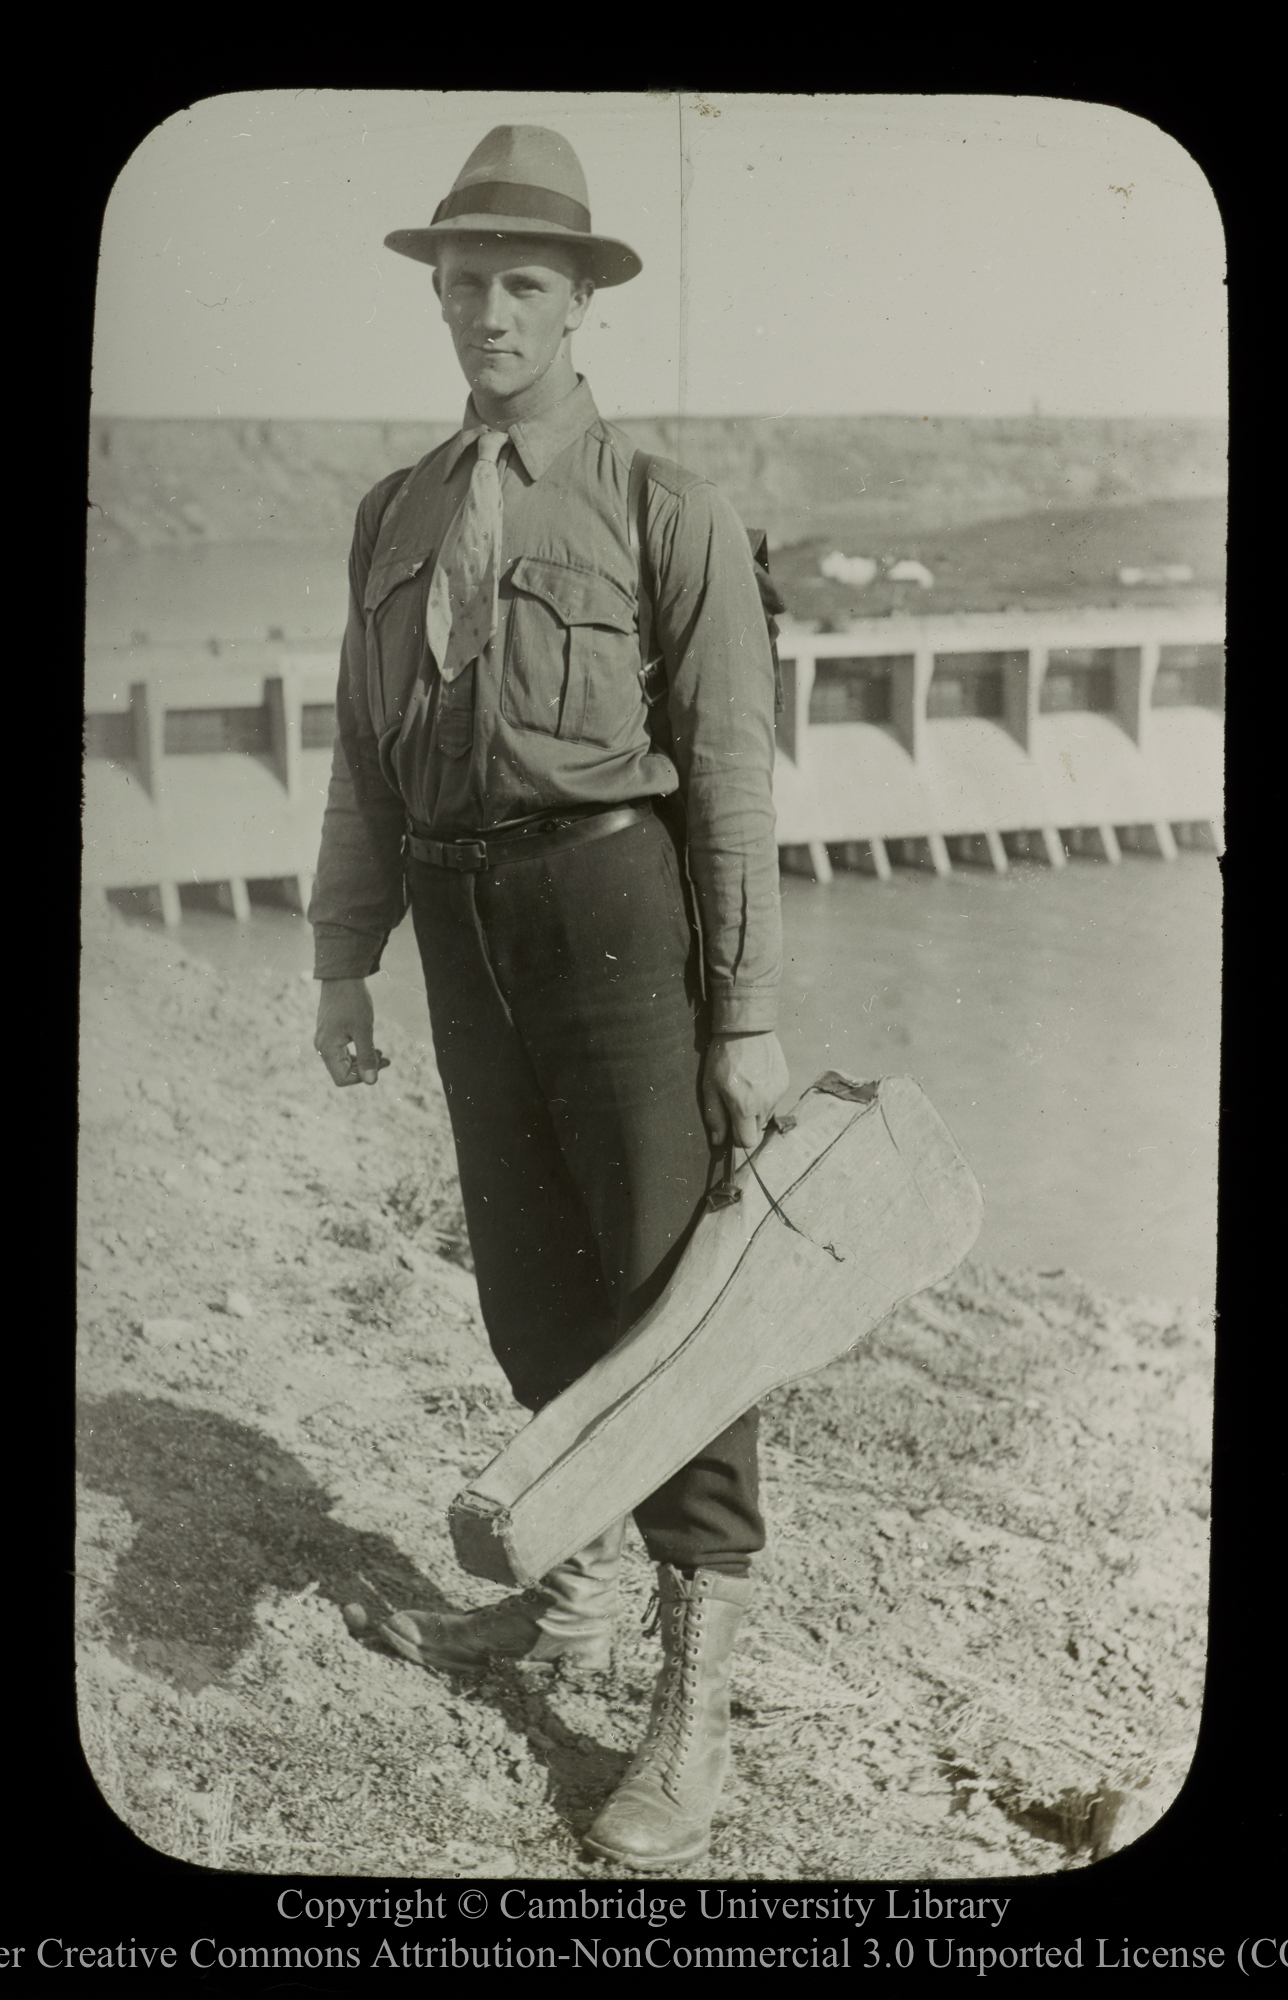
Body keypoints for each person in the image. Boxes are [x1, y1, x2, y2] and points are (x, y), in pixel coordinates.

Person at [309, 124, 788, 1871]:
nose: (486, 311)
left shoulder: (664, 505)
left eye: (522, 283)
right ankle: (572, 1592)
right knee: (524, 1274)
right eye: (461, 282)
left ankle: (693, 1696)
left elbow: (729, 769)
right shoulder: (396, 510)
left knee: (672, 1289)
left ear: (579, 305)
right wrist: (339, 955)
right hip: (456, 910)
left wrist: (743, 1012)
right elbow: (365, 759)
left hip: (610, 905)